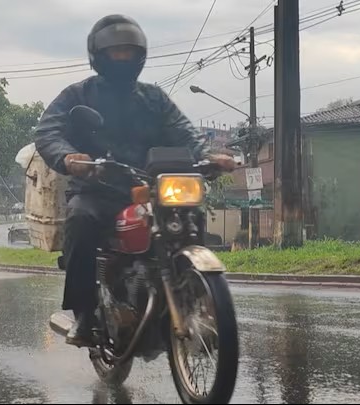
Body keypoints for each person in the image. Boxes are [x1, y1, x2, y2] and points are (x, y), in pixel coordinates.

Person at [34, 14, 237, 347]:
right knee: (81, 219)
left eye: (129, 51)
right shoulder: (78, 95)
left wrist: (208, 155)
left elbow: (184, 130)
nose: (123, 57)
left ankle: (193, 295)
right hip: (97, 187)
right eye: (116, 52)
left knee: (190, 214)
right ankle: (84, 314)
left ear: (140, 54)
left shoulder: (153, 98)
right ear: (99, 55)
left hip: (150, 188)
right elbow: (49, 131)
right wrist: (70, 157)